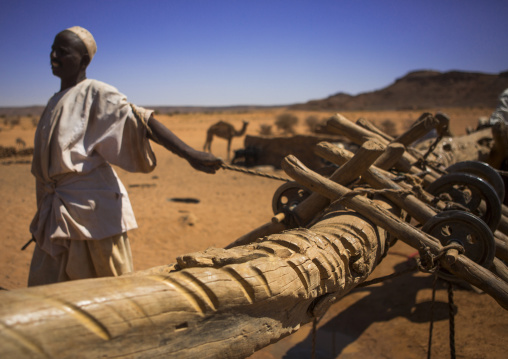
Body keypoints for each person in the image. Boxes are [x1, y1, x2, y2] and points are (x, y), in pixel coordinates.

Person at [28, 26, 222, 286]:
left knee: (109, 293)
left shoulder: (95, 92)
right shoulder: (54, 101)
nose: (53, 56)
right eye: (52, 50)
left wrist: (188, 153)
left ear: (84, 60)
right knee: (47, 296)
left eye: (62, 52)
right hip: (54, 213)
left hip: (93, 216)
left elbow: (140, 120)